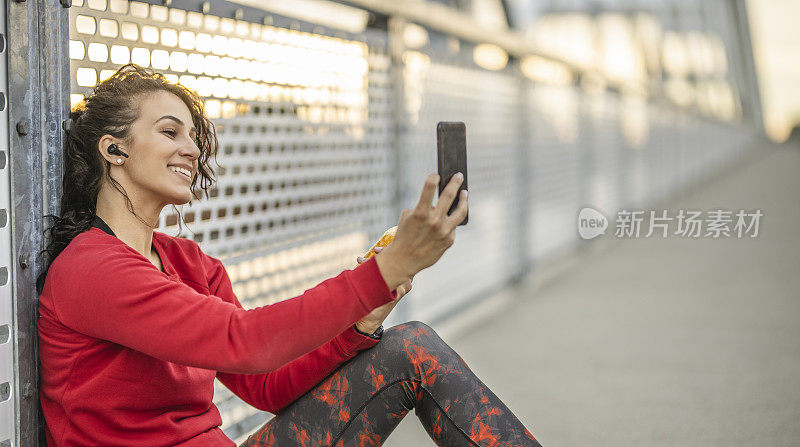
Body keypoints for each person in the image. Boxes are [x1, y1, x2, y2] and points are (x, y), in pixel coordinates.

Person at [36, 63, 541, 446]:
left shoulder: (190, 264)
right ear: (113, 150)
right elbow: (245, 341)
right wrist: (388, 267)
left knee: (408, 348)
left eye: (194, 136)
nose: (192, 149)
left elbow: (265, 384)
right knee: (412, 350)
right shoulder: (91, 269)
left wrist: (360, 324)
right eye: (170, 132)